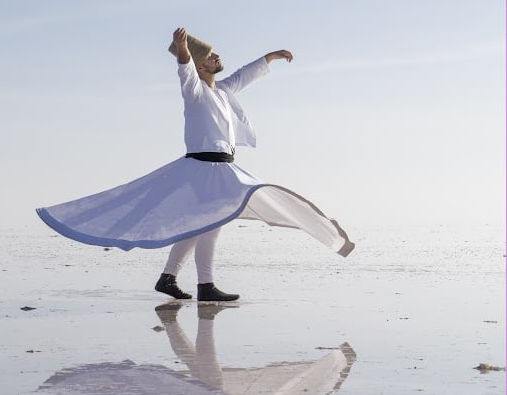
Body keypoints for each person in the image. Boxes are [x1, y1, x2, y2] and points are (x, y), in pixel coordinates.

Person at [36, 27, 353, 302]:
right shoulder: (195, 92)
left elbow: (244, 75)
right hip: (203, 168)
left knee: (201, 224)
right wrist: (183, 50)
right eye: (211, 56)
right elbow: (185, 71)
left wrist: (270, 57)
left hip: (221, 168)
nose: (217, 57)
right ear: (202, 65)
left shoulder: (223, 91)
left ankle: (170, 278)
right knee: (210, 225)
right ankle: (204, 285)